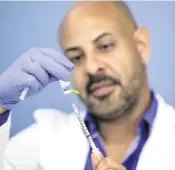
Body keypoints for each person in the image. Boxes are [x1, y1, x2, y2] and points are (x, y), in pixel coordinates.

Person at [0, 1, 174, 170]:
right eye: (76, 57)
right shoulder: (43, 140)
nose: (91, 67)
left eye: (105, 46)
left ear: (141, 46)